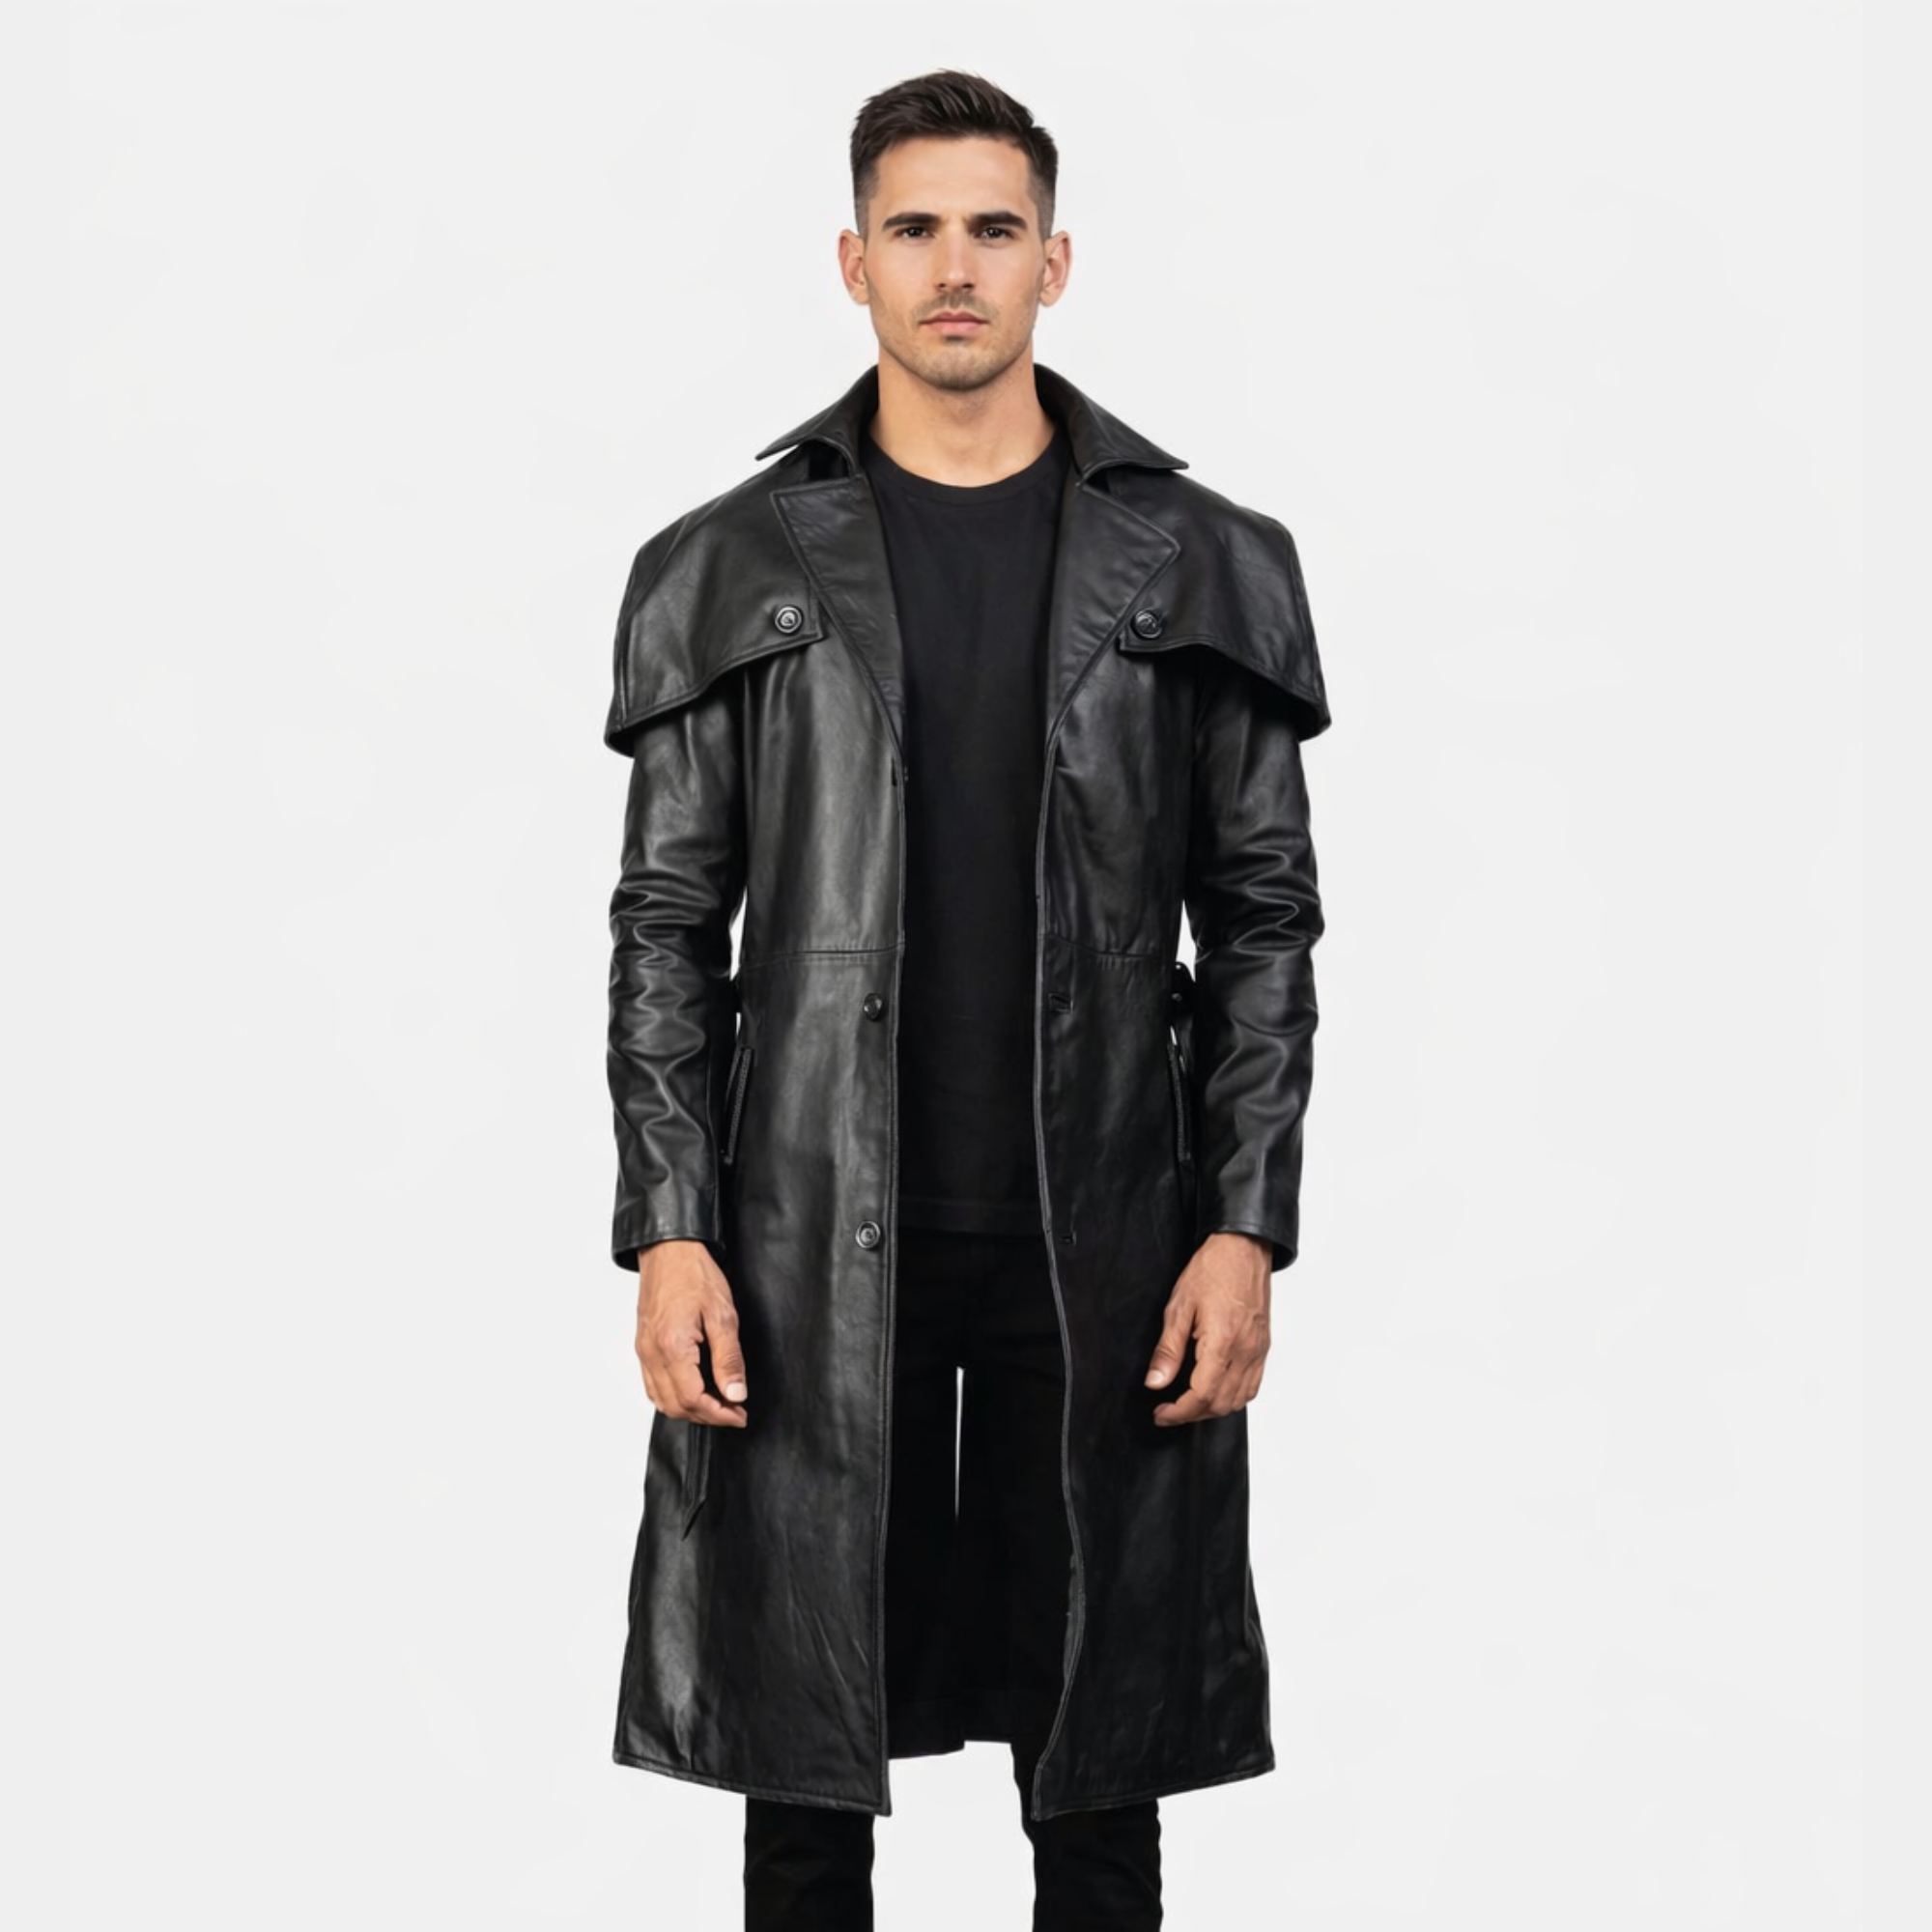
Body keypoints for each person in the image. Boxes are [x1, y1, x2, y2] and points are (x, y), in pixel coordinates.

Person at [602, 69, 1332, 1930]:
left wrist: (1244, 1222)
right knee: (801, 1777)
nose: (955, 268)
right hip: (800, 1236)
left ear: (1054, 262)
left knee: (1097, 1780)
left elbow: (1264, 923)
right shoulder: (726, 564)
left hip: (1106, 1235)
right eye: (914, 229)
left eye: (993, 229)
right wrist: (671, 1229)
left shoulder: (1206, 562)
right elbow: (666, 928)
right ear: (852, 261)